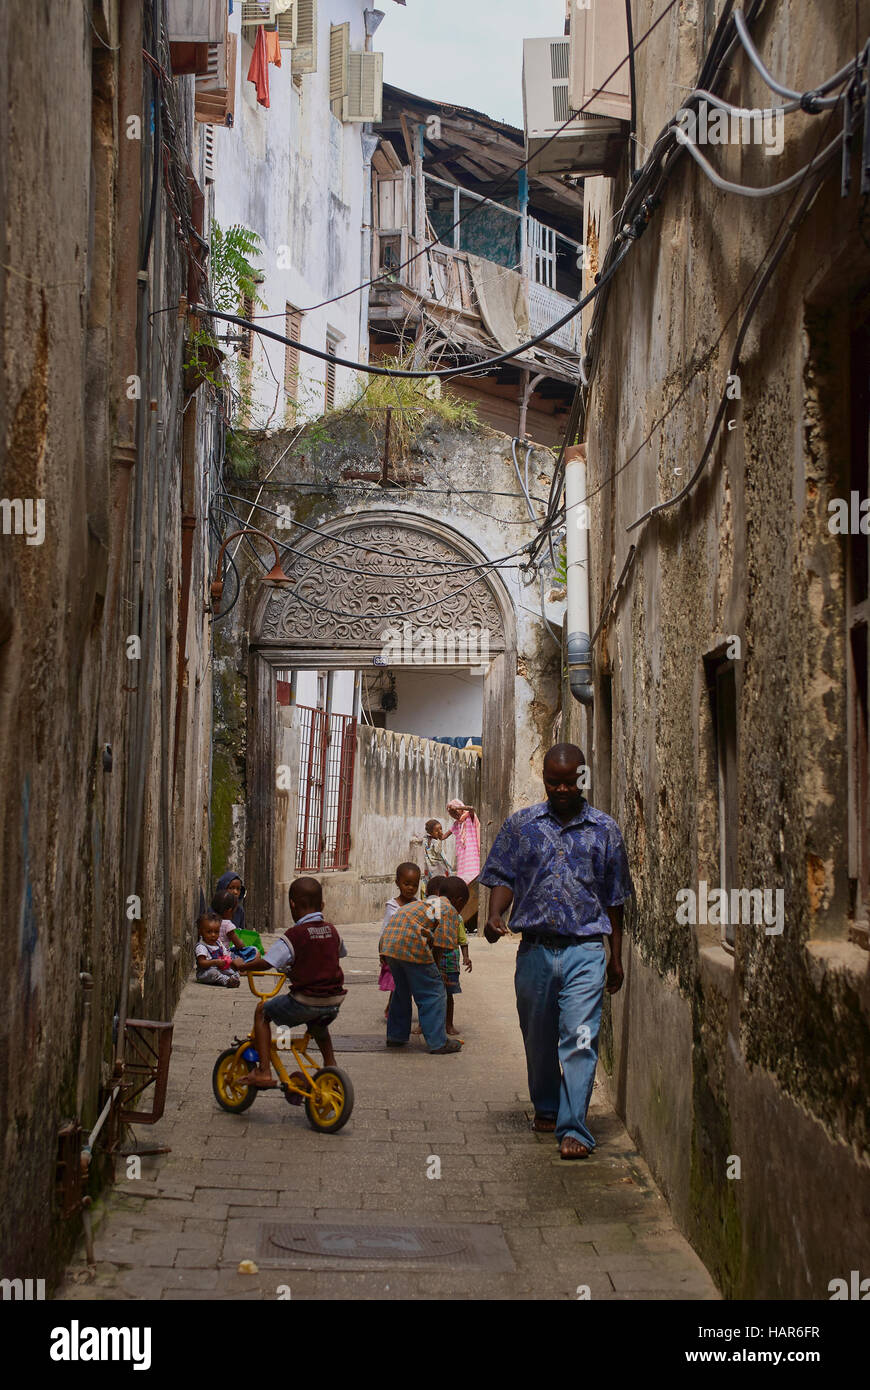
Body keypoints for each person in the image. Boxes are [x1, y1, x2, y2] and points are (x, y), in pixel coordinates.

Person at [481, 744, 632, 1161]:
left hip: (585, 950)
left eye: (570, 780)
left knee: (580, 1038)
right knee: (539, 1038)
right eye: (553, 781)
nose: (562, 788)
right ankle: (546, 1107)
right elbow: (503, 876)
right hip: (535, 952)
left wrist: (614, 957)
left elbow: (615, 899)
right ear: (544, 778)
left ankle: (575, 1128)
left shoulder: (605, 830)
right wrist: (495, 915)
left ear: (582, 777)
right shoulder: (521, 826)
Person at [233, 877, 347, 1088]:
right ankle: (332, 1068)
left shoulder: (294, 935)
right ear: (322, 905)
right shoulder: (332, 930)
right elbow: (340, 953)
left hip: (306, 999)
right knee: (319, 1027)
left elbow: (267, 962)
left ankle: (264, 1071)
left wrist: (243, 966)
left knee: (262, 1011)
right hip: (333, 1000)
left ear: (292, 904)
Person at [379, 875, 469, 1054]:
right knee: (435, 992)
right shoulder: (448, 909)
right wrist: (435, 970)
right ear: (458, 901)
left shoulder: (425, 904)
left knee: (401, 992)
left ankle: (396, 1037)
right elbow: (440, 945)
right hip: (410, 945)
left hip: (390, 945)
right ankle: (438, 1042)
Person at [426, 875, 472, 1036]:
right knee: (431, 995)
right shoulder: (445, 911)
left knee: (446, 995)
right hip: (434, 961)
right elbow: (436, 943)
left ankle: (447, 1024)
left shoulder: (434, 907)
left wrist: (466, 957)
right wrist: (436, 969)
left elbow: (462, 940)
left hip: (447, 963)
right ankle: (429, 1028)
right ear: (458, 901)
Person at [380, 863, 422, 1019]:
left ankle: (403, 1011)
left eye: (414, 885)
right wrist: (382, 950)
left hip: (412, 952)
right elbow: (385, 929)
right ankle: (391, 1008)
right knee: (396, 983)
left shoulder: (418, 905)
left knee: (410, 984)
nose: (410, 888)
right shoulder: (392, 906)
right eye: (406, 884)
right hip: (395, 952)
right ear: (397, 883)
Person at [446, 799, 481, 932]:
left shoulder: (469, 818)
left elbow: (471, 808)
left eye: (455, 812)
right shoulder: (456, 824)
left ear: (460, 809)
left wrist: (457, 807)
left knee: (474, 887)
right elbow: (445, 835)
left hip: (472, 857)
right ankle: (466, 922)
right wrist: (435, 836)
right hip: (462, 860)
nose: (454, 815)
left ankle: (471, 922)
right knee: (465, 889)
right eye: (451, 813)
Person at [194, 912, 240, 988]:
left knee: (233, 970)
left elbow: (226, 954)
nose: (213, 935)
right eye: (209, 932)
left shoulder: (218, 943)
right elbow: (201, 962)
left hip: (220, 969)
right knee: (213, 973)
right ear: (200, 932)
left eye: (216, 932)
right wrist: (214, 962)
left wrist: (228, 960)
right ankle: (227, 981)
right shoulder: (202, 946)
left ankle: (232, 978)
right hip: (205, 972)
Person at [212, 888, 247, 956]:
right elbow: (239, 945)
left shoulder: (209, 920)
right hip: (222, 956)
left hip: (209, 953)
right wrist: (242, 943)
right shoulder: (227, 925)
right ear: (230, 910)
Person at [215, 869, 247, 934]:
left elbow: (241, 932)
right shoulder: (214, 910)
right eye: (231, 888)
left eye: (238, 889)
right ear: (223, 889)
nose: (235, 892)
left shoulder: (239, 910)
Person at [423, 820, 453, 886]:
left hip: (431, 869)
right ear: (430, 832)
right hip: (438, 869)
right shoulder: (435, 842)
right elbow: (438, 851)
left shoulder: (426, 839)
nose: (440, 832)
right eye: (437, 831)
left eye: (441, 829)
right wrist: (440, 840)